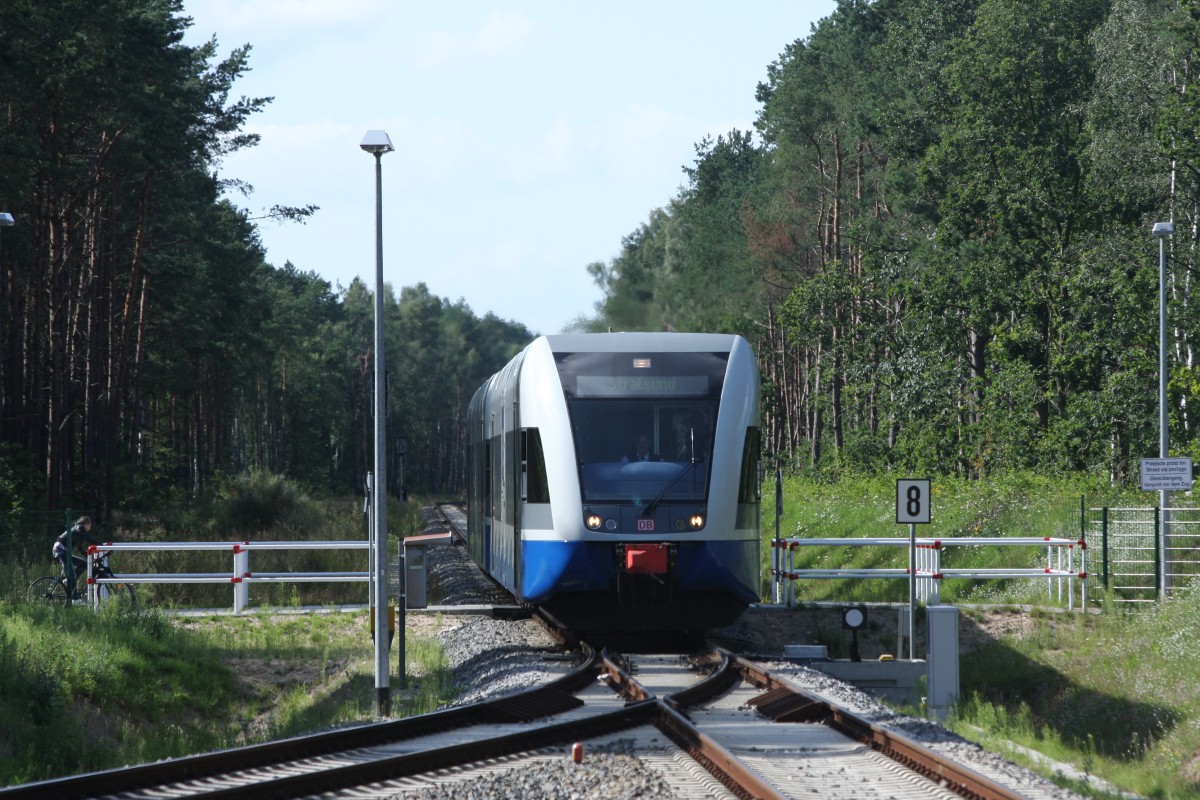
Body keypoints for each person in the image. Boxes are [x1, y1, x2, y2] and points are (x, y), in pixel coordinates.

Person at [52, 516, 100, 601]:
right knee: (72, 575)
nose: (90, 528)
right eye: (90, 526)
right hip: (60, 551)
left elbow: (80, 548)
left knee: (84, 564)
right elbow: (89, 538)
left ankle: (67, 581)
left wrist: (90, 558)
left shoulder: (77, 531)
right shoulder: (79, 528)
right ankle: (75, 599)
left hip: (63, 551)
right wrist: (101, 546)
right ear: (87, 524)